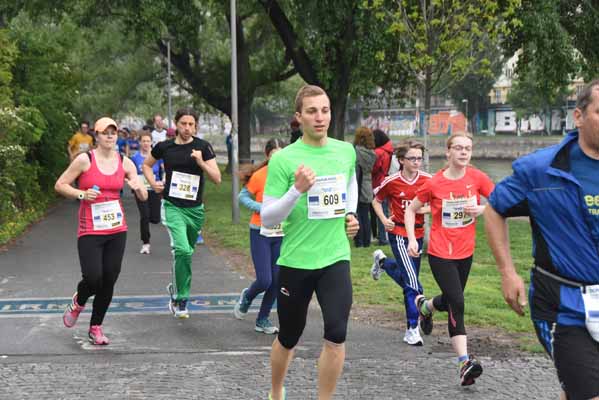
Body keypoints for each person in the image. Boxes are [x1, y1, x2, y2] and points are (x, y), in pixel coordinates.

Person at [484, 80, 599, 400]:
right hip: (563, 304)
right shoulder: (541, 170)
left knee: (576, 389)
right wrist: (507, 272)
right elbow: (494, 208)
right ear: (578, 117)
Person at [261, 85, 359, 400]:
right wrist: (296, 190)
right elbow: (268, 218)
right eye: (312, 111)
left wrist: (351, 214)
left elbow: (350, 182)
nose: (320, 118)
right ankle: (276, 391)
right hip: (296, 260)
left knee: (337, 332)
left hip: (334, 257)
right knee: (289, 336)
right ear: (299, 117)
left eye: (325, 110)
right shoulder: (284, 160)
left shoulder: (345, 151)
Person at [405, 132, 494, 386]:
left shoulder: (477, 178)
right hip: (440, 253)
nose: (464, 152)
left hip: (466, 253)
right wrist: (413, 239)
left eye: (468, 148)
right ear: (448, 152)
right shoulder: (435, 183)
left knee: (451, 299)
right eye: (458, 148)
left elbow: (501, 200)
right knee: (458, 302)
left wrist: (483, 208)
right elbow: (411, 210)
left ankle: (425, 306)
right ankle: (464, 362)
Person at [55, 117, 147, 345]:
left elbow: (143, 195)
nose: (109, 136)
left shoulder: (125, 163)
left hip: (117, 229)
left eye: (113, 132)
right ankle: (79, 300)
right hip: (90, 229)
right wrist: (82, 194)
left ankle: (96, 326)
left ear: (117, 136)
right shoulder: (85, 160)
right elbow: (60, 184)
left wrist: (139, 188)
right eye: (104, 132)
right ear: (96, 136)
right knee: (93, 277)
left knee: (109, 279)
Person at [142, 107, 221, 319]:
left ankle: (177, 289)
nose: (187, 128)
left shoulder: (203, 147)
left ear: (196, 127)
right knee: (183, 251)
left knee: (187, 253)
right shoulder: (164, 147)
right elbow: (147, 165)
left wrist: (201, 162)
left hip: (195, 210)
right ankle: (181, 298)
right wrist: (153, 184)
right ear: (176, 124)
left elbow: (217, 178)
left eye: (191, 125)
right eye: (183, 123)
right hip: (172, 205)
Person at [370, 140, 431, 346]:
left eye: (419, 158)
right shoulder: (392, 181)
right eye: (412, 158)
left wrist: (424, 209)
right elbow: (376, 200)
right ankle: (412, 328)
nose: (416, 162)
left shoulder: (428, 180)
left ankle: (383, 263)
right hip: (398, 232)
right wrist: (383, 219)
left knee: (409, 279)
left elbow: (440, 202)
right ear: (402, 160)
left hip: (419, 233)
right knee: (413, 284)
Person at [234, 138, 285, 335]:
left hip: (281, 233)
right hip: (260, 232)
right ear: (267, 155)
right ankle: (247, 296)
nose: (278, 159)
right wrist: (261, 209)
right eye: (274, 155)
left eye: (281, 155)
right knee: (265, 280)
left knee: (277, 280)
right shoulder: (260, 175)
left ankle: (262, 319)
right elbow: (243, 196)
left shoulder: (289, 175)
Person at [130, 131, 164, 254]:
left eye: (148, 141)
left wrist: (163, 181)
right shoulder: (135, 158)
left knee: (155, 218)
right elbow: (131, 173)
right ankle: (146, 243)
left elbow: (164, 171)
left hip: (154, 189)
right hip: (141, 191)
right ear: (140, 142)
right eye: (143, 141)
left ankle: (151, 217)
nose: (145, 143)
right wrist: (134, 184)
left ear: (151, 142)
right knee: (144, 216)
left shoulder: (157, 157)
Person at [353, 126, 376, 247]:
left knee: (358, 214)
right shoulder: (372, 153)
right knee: (365, 215)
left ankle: (359, 241)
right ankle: (367, 241)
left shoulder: (356, 151)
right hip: (368, 184)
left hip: (359, 184)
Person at [372, 129, 394, 245]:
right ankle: (385, 235)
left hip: (377, 183)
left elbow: (374, 169)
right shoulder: (389, 151)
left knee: (380, 211)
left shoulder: (379, 152)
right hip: (386, 182)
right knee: (386, 210)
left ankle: (382, 237)